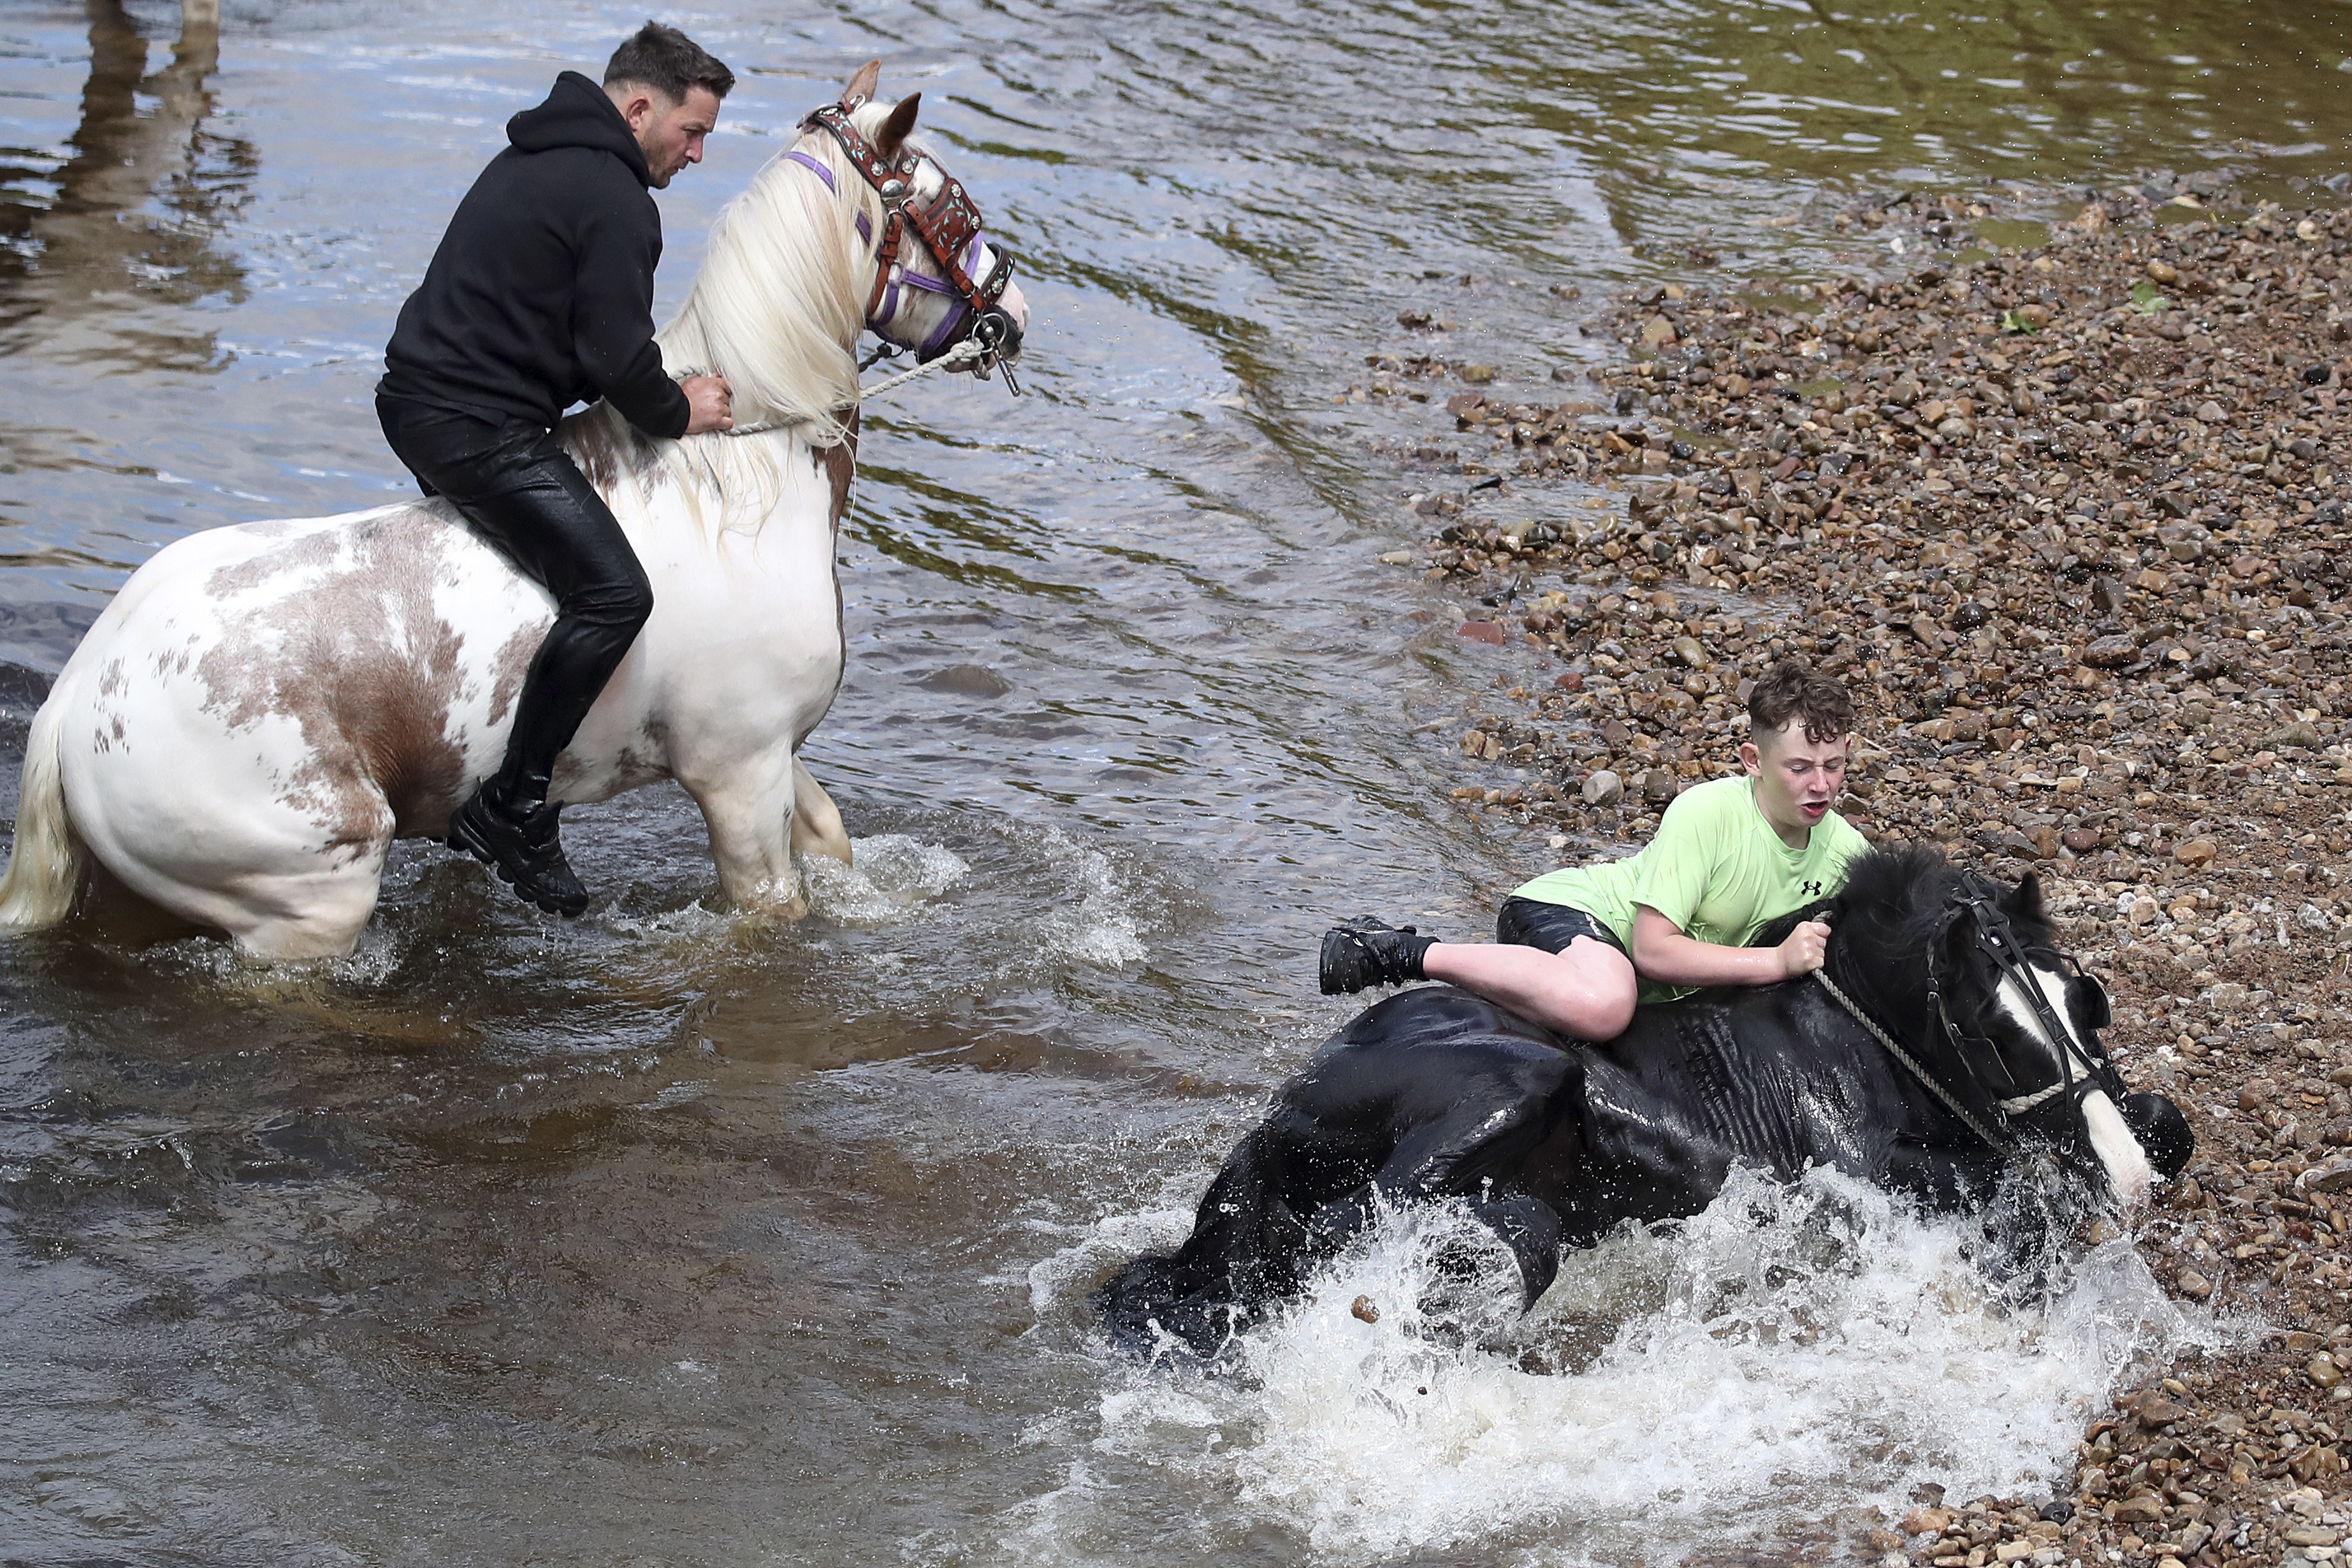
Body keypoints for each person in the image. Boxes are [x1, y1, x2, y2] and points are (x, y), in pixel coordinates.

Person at [375, 22, 738, 916]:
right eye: (692, 133)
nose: (696, 155)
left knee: (522, 584)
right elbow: (616, 359)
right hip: (473, 426)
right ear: (640, 106)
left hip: (420, 401)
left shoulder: (540, 153)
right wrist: (679, 408)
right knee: (616, 595)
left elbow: (568, 338)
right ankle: (514, 807)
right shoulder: (615, 196)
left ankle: (459, 760)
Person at [1321, 661, 1869, 1039]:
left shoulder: (1848, 851)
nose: (1819, 785)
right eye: (1798, 768)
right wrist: (1775, 961)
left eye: (1834, 766)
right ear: (1753, 760)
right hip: (1573, 915)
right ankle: (1401, 951)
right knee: (1604, 1006)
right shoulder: (1709, 814)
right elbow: (1654, 951)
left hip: (1654, 985)